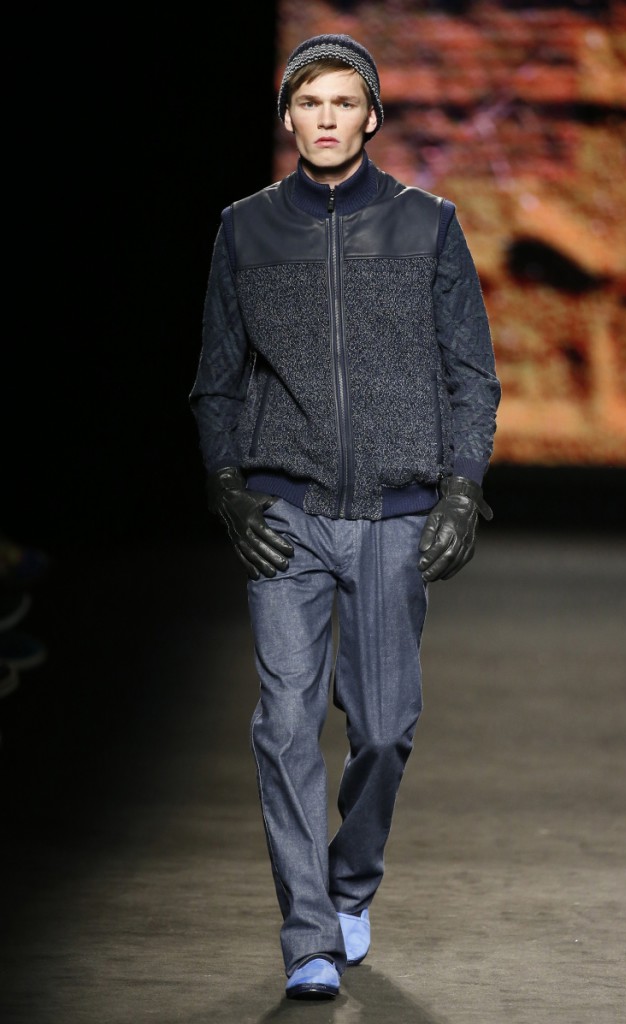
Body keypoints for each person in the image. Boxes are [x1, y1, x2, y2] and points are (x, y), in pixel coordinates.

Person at [189, 33, 501, 1001]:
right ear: (288, 117)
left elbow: (472, 372)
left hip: (394, 513)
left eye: (342, 101)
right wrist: (228, 486)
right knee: (284, 722)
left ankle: (350, 881)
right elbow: (215, 383)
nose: (325, 118)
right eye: (309, 102)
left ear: (371, 116)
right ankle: (309, 936)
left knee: (385, 726)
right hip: (284, 510)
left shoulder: (428, 226)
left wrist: (461, 488)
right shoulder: (244, 231)